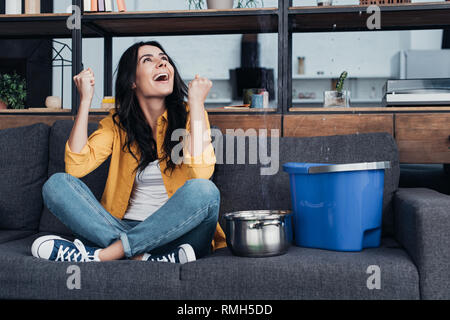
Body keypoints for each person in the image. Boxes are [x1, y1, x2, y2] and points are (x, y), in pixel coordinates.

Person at [31, 41, 226, 264]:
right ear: (132, 81)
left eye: (164, 58)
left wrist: (197, 102)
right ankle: (145, 257)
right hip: (125, 227)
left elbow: (201, 173)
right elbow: (76, 166)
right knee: (57, 184)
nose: (162, 62)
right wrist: (84, 100)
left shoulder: (192, 114)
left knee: (204, 191)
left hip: (180, 235)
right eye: (148, 60)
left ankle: (107, 254)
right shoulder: (118, 123)